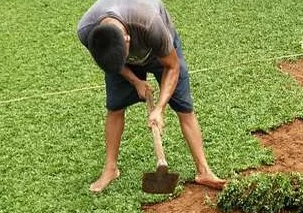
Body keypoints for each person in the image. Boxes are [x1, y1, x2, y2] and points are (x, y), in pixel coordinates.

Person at [77, 0, 226, 192]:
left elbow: (172, 67)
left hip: (160, 53)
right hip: (120, 57)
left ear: (127, 39)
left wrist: (159, 108)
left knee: (185, 109)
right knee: (114, 108)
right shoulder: (87, 31)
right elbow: (111, 63)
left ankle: (203, 170)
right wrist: (135, 81)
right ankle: (110, 169)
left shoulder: (150, 24)